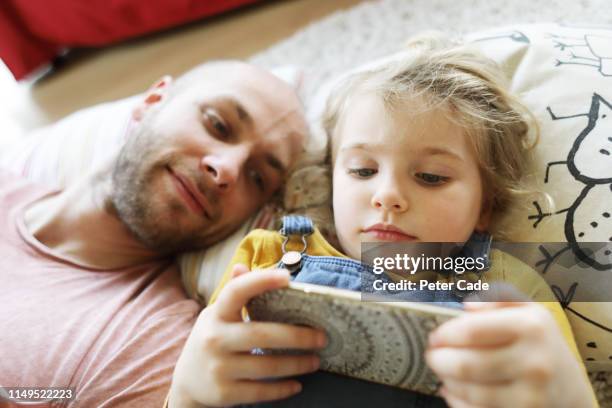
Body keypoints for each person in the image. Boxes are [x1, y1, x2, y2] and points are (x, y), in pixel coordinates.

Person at [174, 38, 597, 407]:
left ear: (485, 207)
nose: (387, 196)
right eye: (362, 171)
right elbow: (208, 375)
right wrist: (187, 394)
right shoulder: (267, 257)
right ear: (331, 182)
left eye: (431, 177)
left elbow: (556, 387)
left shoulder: (508, 289)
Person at [0, 60, 319, 407]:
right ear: (153, 101)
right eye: (218, 124)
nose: (227, 168)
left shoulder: (149, 341)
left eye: (257, 177)